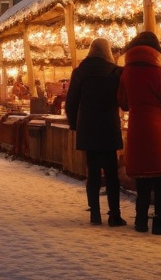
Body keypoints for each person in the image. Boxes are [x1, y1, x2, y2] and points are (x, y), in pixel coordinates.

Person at [119, 31, 161, 236]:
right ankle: (159, 223)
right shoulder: (160, 72)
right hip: (159, 130)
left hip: (137, 129)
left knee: (142, 178)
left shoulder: (126, 72)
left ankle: (141, 220)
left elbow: (123, 103)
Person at [65, 38, 126, 227]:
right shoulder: (115, 72)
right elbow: (123, 100)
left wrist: (75, 124)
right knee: (111, 173)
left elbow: (71, 102)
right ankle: (115, 215)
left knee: (92, 172)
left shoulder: (80, 72)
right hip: (109, 127)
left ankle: (95, 214)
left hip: (89, 128)